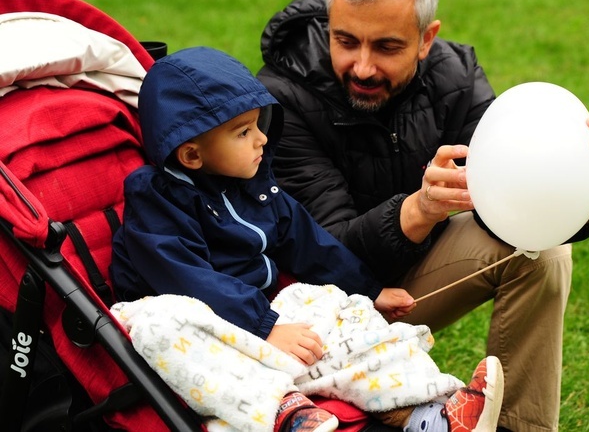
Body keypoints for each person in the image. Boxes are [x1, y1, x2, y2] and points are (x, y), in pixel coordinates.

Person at [257, 0, 589, 432]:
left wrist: (585, 199)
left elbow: (517, 207)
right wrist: (418, 210)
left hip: (407, 283)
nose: (363, 67)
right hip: (313, 312)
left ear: (426, 38)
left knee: (545, 253)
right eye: (346, 41)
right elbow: (327, 254)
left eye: (387, 46)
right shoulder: (282, 97)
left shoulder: (456, 75)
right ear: (329, 24)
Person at [109, 46, 504, 432]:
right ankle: (282, 412)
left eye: (259, 125)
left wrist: (367, 288)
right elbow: (184, 278)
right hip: (192, 323)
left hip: (257, 313)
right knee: (158, 323)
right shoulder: (156, 199)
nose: (261, 139)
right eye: (243, 132)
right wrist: (264, 325)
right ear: (192, 156)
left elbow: (307, 241)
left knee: (333, 302)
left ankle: (430, 415)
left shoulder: (253, 185)